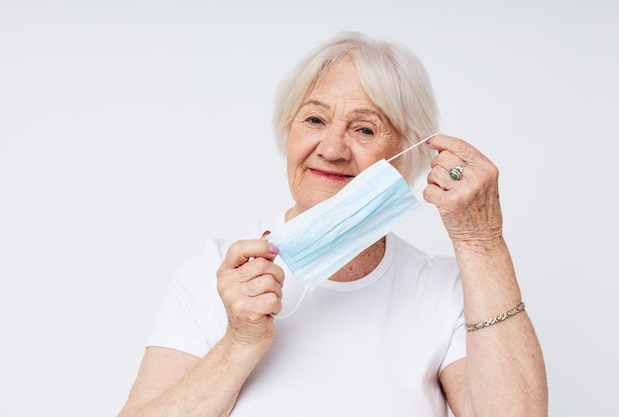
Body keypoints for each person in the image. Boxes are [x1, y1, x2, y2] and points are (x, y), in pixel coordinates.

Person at [117, 31, 548, 417]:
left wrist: (482, 241)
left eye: (364, 129)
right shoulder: (215, 272)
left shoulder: (442, 289)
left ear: (409, 152)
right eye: (315, 120)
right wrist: (239, 343)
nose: (333, 148)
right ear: (288, 132)